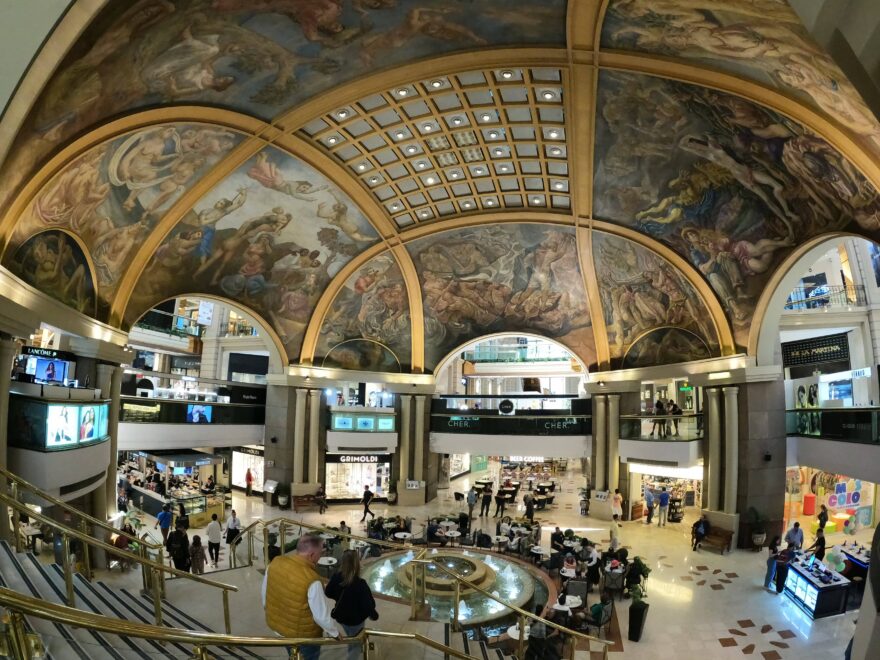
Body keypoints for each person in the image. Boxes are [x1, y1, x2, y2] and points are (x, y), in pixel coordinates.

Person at [262, 534, 342, 659]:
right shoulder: (312, 579)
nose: (320, 557)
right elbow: (321, 616)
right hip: (302, 636)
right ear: (311, 555)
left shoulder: (275, 563)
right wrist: (334, 632)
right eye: (320, 553)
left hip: (279, 629)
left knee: (292, 653)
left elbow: (265, 595)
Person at [325, 550, 379, 660]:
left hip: (341, 617)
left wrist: (338, 597)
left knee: (351, 638)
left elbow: (328, 592)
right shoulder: (360, 584)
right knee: (356, 646)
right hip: (356, 621)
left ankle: (352, 644)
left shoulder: (336, 577)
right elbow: (368, 605)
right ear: (357, 564)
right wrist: (374, 615)